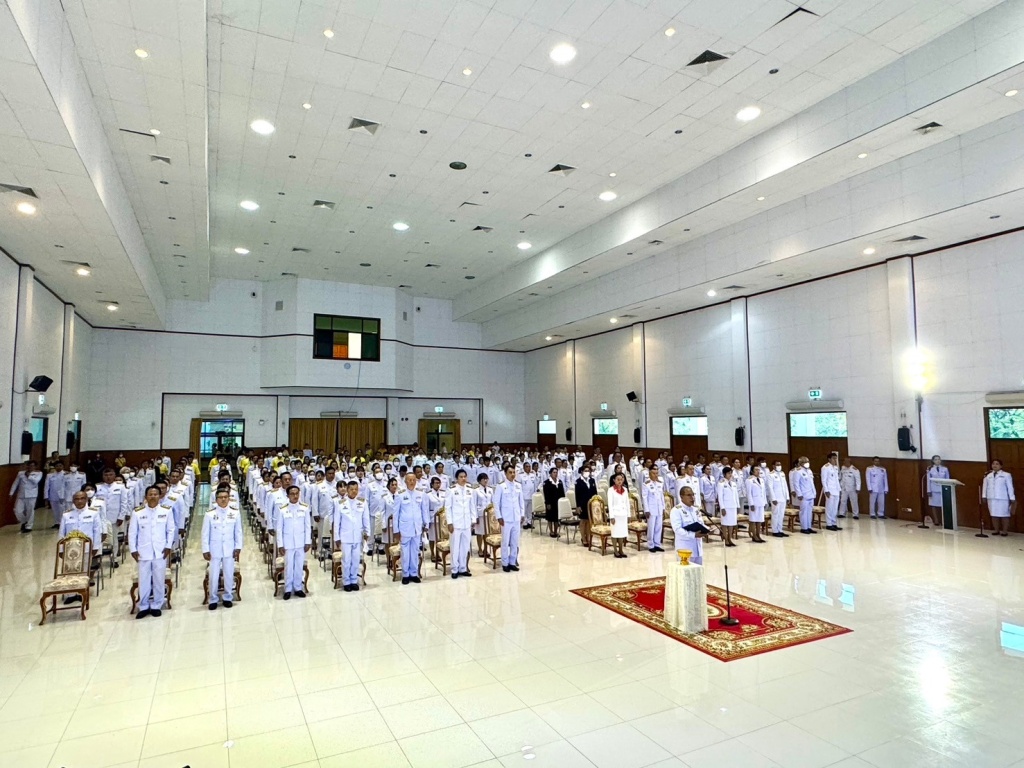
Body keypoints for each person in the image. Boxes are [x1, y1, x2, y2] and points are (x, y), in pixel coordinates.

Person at [129, 485, 176, 618]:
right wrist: (133, 549)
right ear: (146, 497)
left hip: (160, 551)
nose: (153, 497)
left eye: (155, 494)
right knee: (143, 580)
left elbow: (170, 530)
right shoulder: (137, 512)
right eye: (150, 494)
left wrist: (168, 546)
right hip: (143, 551)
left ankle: (157, 604)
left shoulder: (166, 510)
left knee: (159, 579)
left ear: (160, 496)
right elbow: (132, 533)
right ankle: (143, 606)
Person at [202, 487, 242, 609]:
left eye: (225, 497)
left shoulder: (235, 513)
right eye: (221, 497)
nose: (223, 499)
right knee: (213, 575)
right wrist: (205, 549)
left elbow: (238, 532)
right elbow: (205, 534)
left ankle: (228, 597)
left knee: (228, 574)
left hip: (229, 548)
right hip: (214, 549)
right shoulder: (210, 514)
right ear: (216, 499)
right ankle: (213, 599)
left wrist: (238, 547)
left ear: (229, 498)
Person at [334, 480, 370, 591]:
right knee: (346, 560)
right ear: (347, 490)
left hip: (358, 536)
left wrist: (367, 533)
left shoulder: (362, 502)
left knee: (355, 559)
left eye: (356, 489)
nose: (354, 491)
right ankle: (346, 581)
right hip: (345, 536)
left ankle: (354, 580)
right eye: (351, 489)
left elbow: (366, 518)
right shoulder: (340, 503)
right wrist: (337, 537)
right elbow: (337, 522)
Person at [276, 485, 311, 599]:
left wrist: (307, 541)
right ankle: (287, 589)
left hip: (301, 542)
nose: (295, 496)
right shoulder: (282, 509)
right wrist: (280, 544)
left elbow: (307, 526)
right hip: (288, 543)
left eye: (297, 493)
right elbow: (279, 528)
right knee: (289, 566)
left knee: (299, 566)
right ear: (288, 495)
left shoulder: (305, 508)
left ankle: (298, 588)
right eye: (292, 494)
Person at [395, 473, 428, 585]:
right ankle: (405, 574)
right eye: (409, 480)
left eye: (414, 480)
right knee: (405, 552)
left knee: (415, 551)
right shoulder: (400, 494)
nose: (412, 482)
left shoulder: (420, 493)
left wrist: (426, 524)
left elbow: (424, 510)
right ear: (405, 481)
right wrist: (396, 530)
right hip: (405, 527)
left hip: (417, 527)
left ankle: (414, 573)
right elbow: (396, 514)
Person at [493, 466, 524, 572]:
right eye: (510, 472)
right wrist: (499, 516)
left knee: (515, 541)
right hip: (505, 518)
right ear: (505, 474)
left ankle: (512, 562)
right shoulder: (501, 486)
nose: (512, 474)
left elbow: (521, 501)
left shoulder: (518, 485)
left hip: (516, 517)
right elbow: (496, 502)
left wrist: (522, 514)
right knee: (505, 542)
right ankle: (505, 563)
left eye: (514, 472)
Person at [445, 469, 474, 578]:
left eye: (464, 476)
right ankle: (454, 569)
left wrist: (473, 520)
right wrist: (450, 522)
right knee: (455, 547)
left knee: (465, 547)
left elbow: (472, 506)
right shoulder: (451, 490)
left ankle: (463, 568)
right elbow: (448, 507)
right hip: (456, 523)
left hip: (467, 523)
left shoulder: (470, 490)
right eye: (461, 477)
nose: (463, 479)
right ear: (456, 478)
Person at [671, 486, 707, 564]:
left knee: (698, 570)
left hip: (698, 548)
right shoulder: (676, 510)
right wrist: (693, 535)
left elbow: (701, 524)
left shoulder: (696, 509)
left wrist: (708, 530)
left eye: (693, 495)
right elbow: (677, 529)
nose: (692, 497)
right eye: (689, 495)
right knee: (685, 571)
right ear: (681, 497)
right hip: (684, 549)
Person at [982, 459, 1015, 536]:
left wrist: (1012, 497)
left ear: (1001, 466)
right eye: (993, 464)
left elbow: (1010, 487)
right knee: (993, 514)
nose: (995, 465)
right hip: (991, 498)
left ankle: (1004, 531)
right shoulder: (988, 475)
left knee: (1005, 515)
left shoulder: (1006, 475)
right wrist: (984, 496)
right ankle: (996, 530)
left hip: (1003, 498)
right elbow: (985, 486)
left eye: (997, 464)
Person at [10, 460, 42, 533]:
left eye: (32, 466)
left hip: (32, 495)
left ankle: (29, 526)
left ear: (35, 467)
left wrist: (29, 475)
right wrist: (11, 493)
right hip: (21, 495)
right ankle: (24, 521)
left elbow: (36, 481)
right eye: (29, 465)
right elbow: (15, 483)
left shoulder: (38, 473)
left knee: (30, 511)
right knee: (17, 510)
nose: (30, 467)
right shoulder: (21, 473)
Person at [641, 467, 666, 553]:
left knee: (658, 527)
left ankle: (657, 544)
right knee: (651, 527)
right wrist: (646, 510)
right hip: (651, 509)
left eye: (656, 473)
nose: (655, 475)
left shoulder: (660, 483)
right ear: (649, 474)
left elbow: (662, 496)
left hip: (659, 508)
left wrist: (663, 508)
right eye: (653, 473)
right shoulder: (646, 484)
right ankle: (651, 545)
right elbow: (644, 498)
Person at [607, 472, 630, 558]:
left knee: (621, 533)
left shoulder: (625, 490)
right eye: (618, 479)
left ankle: (621, 550)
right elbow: (610, 504)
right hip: (615, 515)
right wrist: (611, 516)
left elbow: (627, 503)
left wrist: (628, 515)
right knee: (615, 533)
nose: (620, 481)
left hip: (623, 514)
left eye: (621, 479)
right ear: (614, 480)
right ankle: (615, 551)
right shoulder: (611, 490)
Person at [922, 455, 949, 528]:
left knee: (943, 505)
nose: (938, 461)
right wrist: (929, 490)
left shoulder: (945, 469)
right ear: (933, 461)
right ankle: (936, 520)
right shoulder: (930, 469)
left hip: (942, 489)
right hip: (933, 489)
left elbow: (948, 479)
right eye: (936, 459)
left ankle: (944, 520)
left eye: (939, 459)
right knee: (933, 504)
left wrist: (947, 490)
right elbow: (928, 481)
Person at [575, 465, 598, 548]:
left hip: (591, 504)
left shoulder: (592, 480)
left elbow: (595, 492)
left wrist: (596, 502)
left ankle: (588, 537)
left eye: (588, 470)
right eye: (585, 470)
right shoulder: (578, 481)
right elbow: (577, 495)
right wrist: (578, 506)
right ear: (582, 471)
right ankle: (583, 538)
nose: (587, 472)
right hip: (582, 504)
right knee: (583, 521)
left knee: (589, 521)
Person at [717, 467, 740, 547]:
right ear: (724, 474)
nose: (730, 475)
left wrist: (738, 506)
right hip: (726, 507)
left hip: (733, 506)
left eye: (731, 473)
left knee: (732, 523)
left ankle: (730, 538)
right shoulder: (721, 483)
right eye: (728, 473)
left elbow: (736, 496)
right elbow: (720, 497)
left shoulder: (733, 483)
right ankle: (725, 539)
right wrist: (722, 508)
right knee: (725, 523)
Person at [766, 460, 790, 538]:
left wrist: (787, 497)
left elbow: (785, 486)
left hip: (783, 497)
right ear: (773, 466)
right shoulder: (771, 475)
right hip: (776, 498)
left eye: (780, 464)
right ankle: (775, 531)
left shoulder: (782, 474)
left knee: (781, 514)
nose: (779, 466)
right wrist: (773, 498)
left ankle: (780, 530)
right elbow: (770, 487)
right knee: (775, 514)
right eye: (777, 464)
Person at [794, 457, 818, 534]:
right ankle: (804, 528)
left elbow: (812, 483)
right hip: (803, 495)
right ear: (801, 463)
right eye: (805, 462)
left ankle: (809, 527)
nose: (807, 463)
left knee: (809, 512)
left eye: (808, 461)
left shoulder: (809, 471)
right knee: (803, 512)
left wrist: (814, 493)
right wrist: (799, 494)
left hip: (811, 494)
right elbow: (796, 484)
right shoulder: (798, 471)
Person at [745, 465, 767, 543]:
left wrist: (765, 502)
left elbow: (763, 492)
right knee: (753, 520)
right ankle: (754, 536)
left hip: (761, 502)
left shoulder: (761, 480)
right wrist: (751, 504)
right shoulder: (749, 480)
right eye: (756, 470)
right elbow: (749, 493)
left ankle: (758, 535)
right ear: (752, 471)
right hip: (754, 502)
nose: (758, 471)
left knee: (759, 520)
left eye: (759, 470)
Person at [821, 453, 842, 531]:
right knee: (829, 508)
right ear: (829, 459)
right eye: (833, 458)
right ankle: (829, 524)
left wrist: (839, 489)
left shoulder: (835, 468)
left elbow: (837, 480)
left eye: (836, 458)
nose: (835, 460)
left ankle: (834, 523)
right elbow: (824, 480)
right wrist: (826, 490)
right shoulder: (825, 467)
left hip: (836, 490)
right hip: (829, 490)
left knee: (835, 508)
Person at [473, 472, 493, 556]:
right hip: (480, 514)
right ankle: (480, 549)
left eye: (486, 479)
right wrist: (475, 517)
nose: (485, 480)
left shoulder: (490, 490)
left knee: (487, 533)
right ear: (479, 480)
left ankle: (485, 548)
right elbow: (474, 504)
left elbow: (492, 502)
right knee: (480, 533)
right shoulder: (476, 491)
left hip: (488, 515)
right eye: (483, 479)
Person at [542, 467, 565, 539]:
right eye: (554, 472)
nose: (555, 474)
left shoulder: (560, 482)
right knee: (550, 518)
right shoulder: (547, 482)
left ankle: (555, 531)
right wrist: (547, 503)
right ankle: (551, 531)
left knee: (556, 518)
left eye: (556, 472)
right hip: (550, 503)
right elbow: (546, 494)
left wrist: (563, 501)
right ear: (550, 473)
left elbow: (562, 493)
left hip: (558, 502)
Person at [43, 461, 67, 529]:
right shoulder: (50, 475)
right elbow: (46, 486)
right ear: (54, 467)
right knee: (55, 510)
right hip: (53, 495)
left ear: (63, 466)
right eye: (57, 466)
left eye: (60, 466)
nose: (58, 467)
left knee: (62, 510)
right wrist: (46, 496)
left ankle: (62, 523)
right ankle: (57, 522)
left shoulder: (66, 474)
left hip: (63, 495)